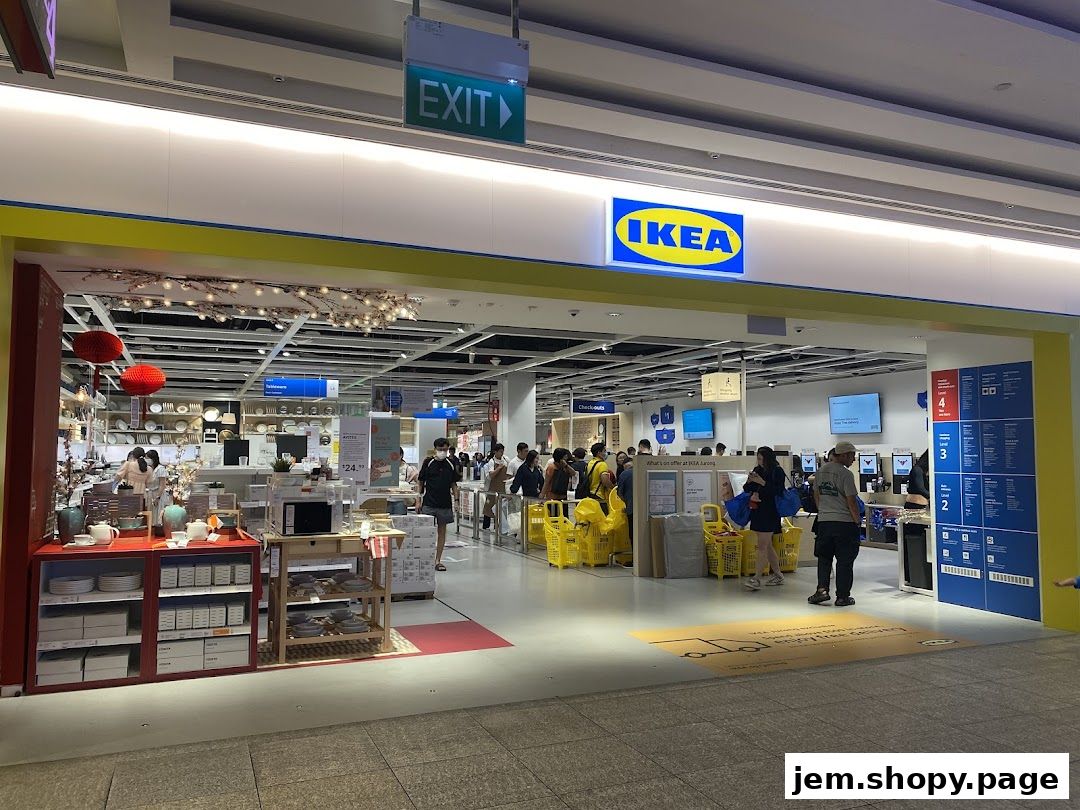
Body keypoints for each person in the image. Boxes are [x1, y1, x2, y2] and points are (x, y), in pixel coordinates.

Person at [809, 440, 862, 607]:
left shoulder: (820, 471)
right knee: (845, 561)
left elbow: (816, 495)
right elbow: (851, 500)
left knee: (824, 558)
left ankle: (822, 591)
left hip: (824, 522)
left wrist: (823, 511)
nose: (854, 459)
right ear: (844, 455)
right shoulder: (845, 474)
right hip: (844, 523)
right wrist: (857, 521)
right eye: (852, 456)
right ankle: (842, 597)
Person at [743, 445, 786, 591]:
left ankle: (756, 578)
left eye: (761, 459)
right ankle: (778, 575)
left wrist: (762, 483)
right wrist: (749, 482)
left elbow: (778, 491)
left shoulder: (777, 471)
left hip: (770, 512)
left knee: (762, 546)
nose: (759, 461)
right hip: (757, 510)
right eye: (758, 458)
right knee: (767, 545)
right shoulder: (757, 470)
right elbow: (746, 489)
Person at [417, 437, 461, 572]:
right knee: (426, 532)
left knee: (442, 532)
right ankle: (425, 558)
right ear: (435, 449)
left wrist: (457, 501)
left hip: (445, 503)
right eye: (441, 449)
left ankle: (438, 560)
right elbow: (421, 481)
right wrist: (418, 500)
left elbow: (454, 484)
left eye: (445, 450)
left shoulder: (451, 464)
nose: (443, 452)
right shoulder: (428, 462)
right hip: (429, 502)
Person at [481, 444, 508, 530]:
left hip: (502, 488)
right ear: (495, 452)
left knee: (500, 509)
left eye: (502, 451)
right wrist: (499, 468)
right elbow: (491, 475)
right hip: (492, 488)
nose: (502, 453)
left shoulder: (506, 460)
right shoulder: (491, 462)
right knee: (488, 507)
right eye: (500, 451)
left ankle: (498, 527)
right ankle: (486, 526)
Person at [579, 442, 614, 508]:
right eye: (604, 451)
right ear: (599, 453)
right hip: (599, 496)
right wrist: (613, 488)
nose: (606, 453)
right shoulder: (602, 464)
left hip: (590, 494)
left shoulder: (589, 463)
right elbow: (605, 480)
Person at [144, 449, 170, 524]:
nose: (147, 460)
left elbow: (162, 484)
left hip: (159, 494)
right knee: (151, 515)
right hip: (150, 494)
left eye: (148, 458)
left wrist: (157, 497)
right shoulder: (148, 469)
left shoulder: (160, 469)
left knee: (158, 514)